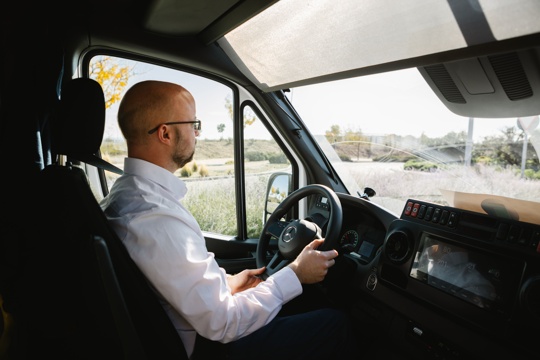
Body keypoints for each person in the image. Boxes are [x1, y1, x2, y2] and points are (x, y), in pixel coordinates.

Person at [100, 80, 356, 359]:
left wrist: (228, 284)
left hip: (182, 333)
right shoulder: (155, 217)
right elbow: (223, 323)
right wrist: (295, 274)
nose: (197, 133)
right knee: (335, 323)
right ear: (165, 133)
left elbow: (172, 277)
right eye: (193, 123)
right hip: (204, 347)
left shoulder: (126, 196)